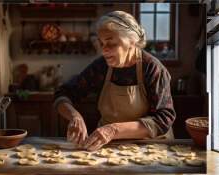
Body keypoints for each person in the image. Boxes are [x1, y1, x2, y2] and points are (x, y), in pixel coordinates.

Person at [54, 11, 175, 151]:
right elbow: (62, 94)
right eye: (101, 43)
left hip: (150, 147)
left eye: (111, 43)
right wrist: (74, 116)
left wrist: (113, 129)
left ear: (132, 41)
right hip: (109, 147)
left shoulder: (152, 68)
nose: (104, 50)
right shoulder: (101, 66)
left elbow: (163, 119)